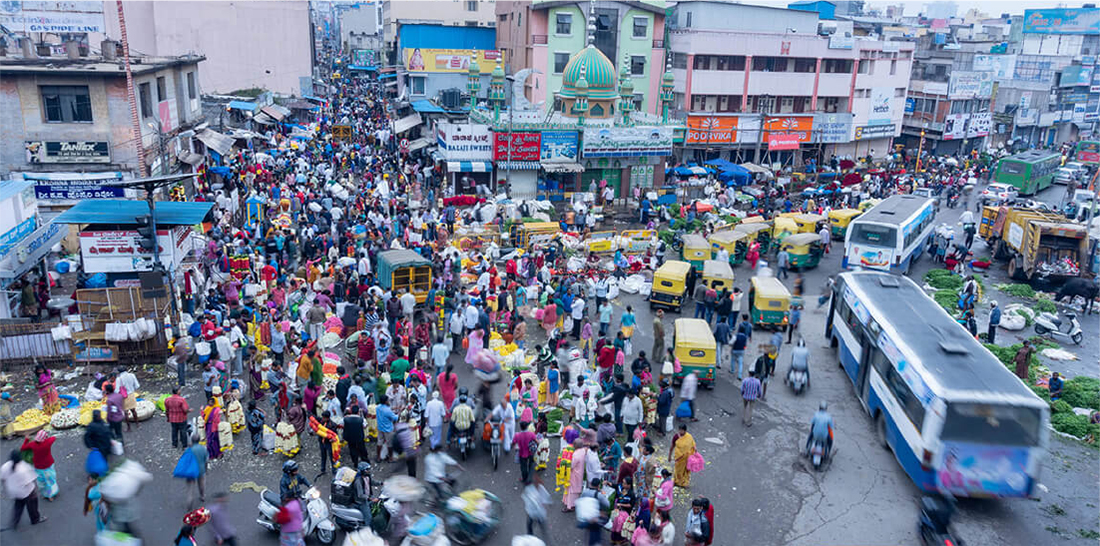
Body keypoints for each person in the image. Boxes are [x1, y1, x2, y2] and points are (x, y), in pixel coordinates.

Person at [1, 449, 46, 529]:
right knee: (32, 506)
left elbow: (3, 479)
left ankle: (14, 522)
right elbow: (29, 481)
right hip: (26, 492)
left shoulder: (5, 466)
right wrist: (34, 491)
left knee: (18, 506)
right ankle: (35, 519)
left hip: (14, 491)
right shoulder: (23, 468)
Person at [20, 430, 58, 501]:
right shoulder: (47, 443)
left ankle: (45, 494)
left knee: (42, 481)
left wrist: (26, 439)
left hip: (38, 467)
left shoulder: (33, 444)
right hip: (48, 465)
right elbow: (53, 438)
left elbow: (22, 448)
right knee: (50, 481)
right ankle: (50, 495)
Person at [185, 432, 208, 507]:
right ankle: (202, 496)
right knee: (201, 484)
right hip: (201, 470)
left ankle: (189, 499)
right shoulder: (203, 448)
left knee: (190, 487)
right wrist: (206, 469)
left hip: (191, 470)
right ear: (199, 440)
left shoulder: (189, 449)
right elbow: (206, 460)